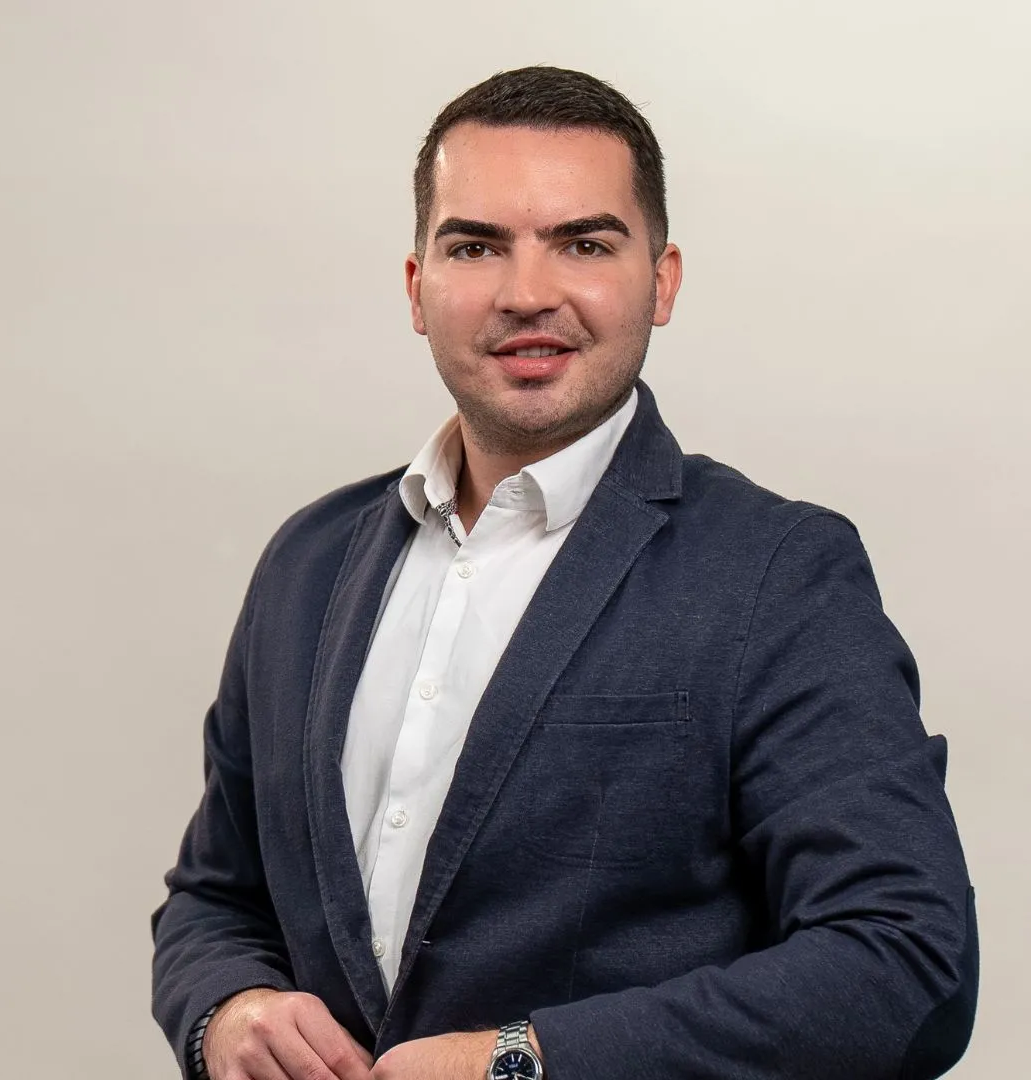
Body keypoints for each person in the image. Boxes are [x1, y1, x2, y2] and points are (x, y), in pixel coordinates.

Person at [151, 66, 978, 1080]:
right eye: (475, 245)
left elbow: (905, 965)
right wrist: (227, 1010)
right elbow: (215, 896)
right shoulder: (307, 563)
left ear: (661, 281)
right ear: (418, 287)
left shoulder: (778, 574)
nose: (527, 293)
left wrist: (520, 1061)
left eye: (584, 244)